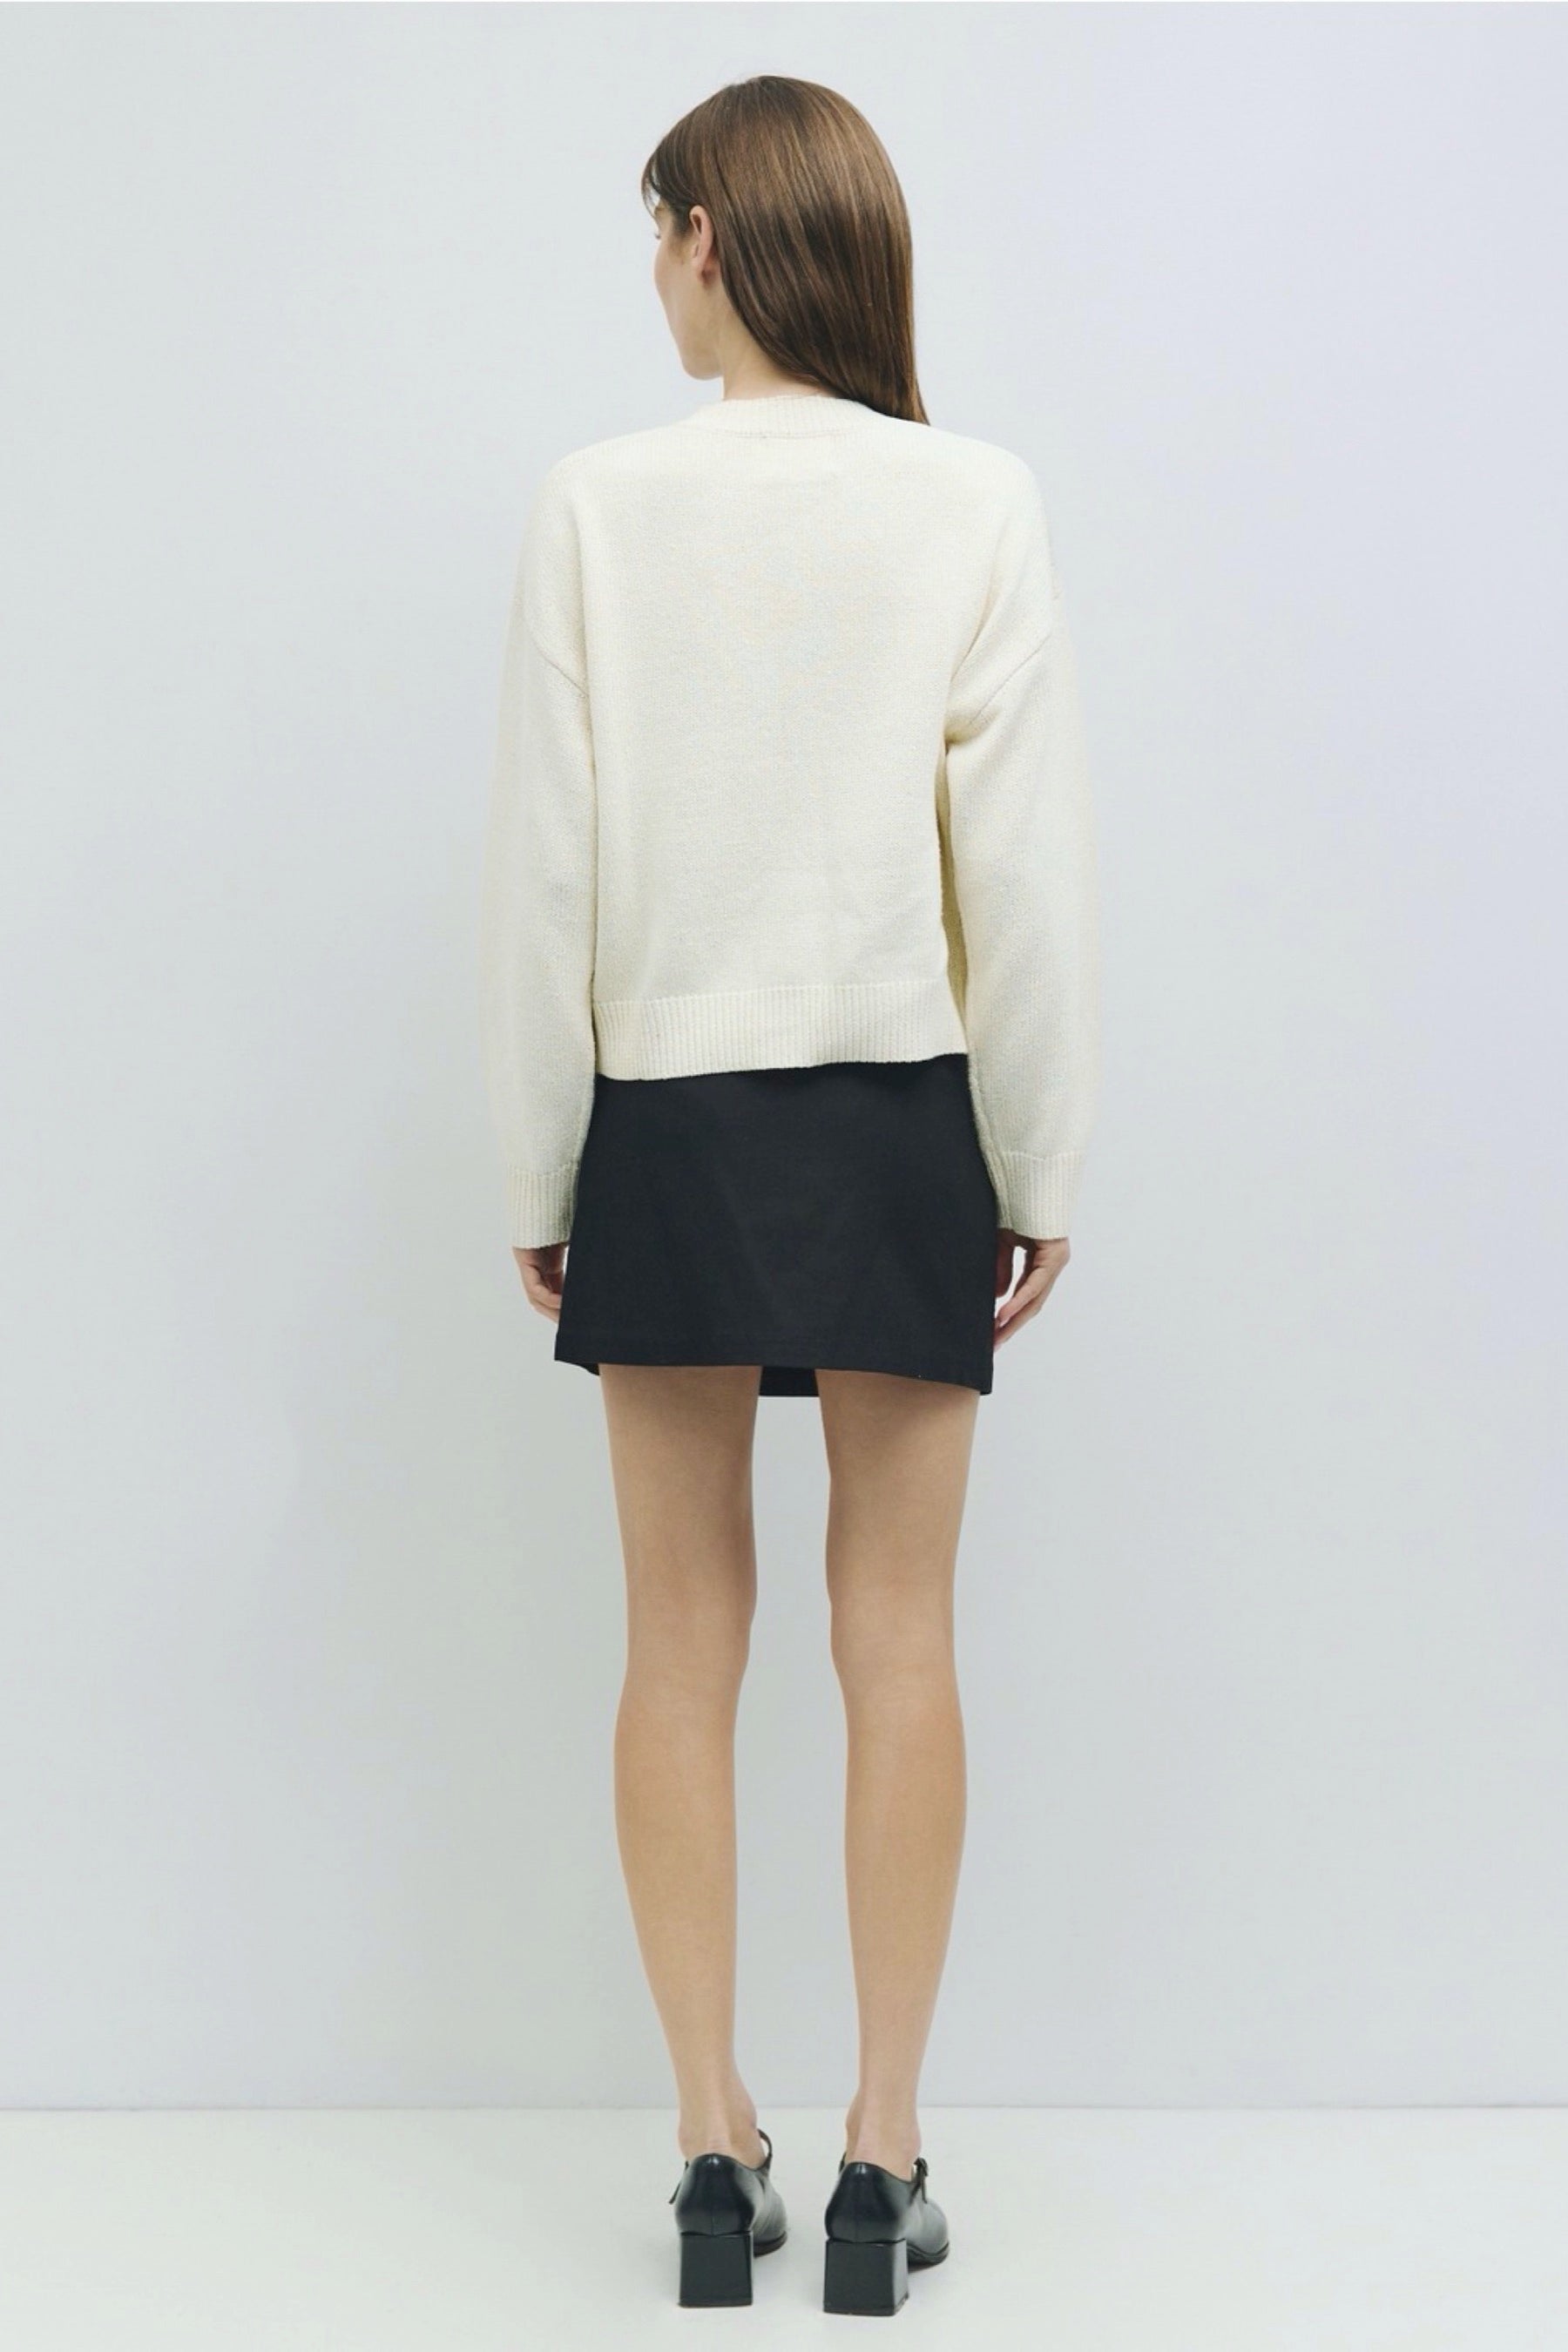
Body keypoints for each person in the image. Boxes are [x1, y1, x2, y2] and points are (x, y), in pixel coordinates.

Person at [477, 72, 1100, 2317]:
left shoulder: (598, 506)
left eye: (656, 234)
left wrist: (542, 1156)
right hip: (897, 1111)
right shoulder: (973, 501)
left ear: (713, 240)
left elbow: (548, 866)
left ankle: (702, 2148)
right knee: (897, 1633)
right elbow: (1019, 876)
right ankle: (880, 2156)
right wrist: (1036, 1158)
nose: (651, 276)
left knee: (677, 1640)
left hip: (669, 1111)